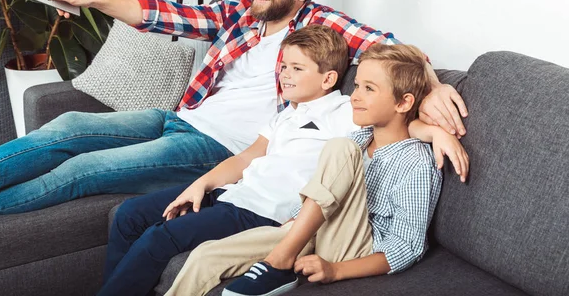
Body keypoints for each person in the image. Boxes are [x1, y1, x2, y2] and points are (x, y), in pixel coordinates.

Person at [0, 0, 467, 217]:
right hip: (183, 119)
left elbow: (394, 51)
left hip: (223, 149)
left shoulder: (323, 27)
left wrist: (434, 85)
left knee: (82, 171)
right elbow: (164, 14)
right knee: (69, 127)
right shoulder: (239, 13)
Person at [166, 44, 466, 296]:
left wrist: (335, 271)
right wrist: (298, 220)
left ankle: (281, 261)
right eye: (358, 85)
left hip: (357, 246)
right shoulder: (360, 138)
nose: (356, 96)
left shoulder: (414, 161)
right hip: (317, 232)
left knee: (338, 148)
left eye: (369, 89)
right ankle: (283, 252)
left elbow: (407, 246)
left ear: (404, 103)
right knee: (206, 256)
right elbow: (327, 194)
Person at [99, 25, 357, 295]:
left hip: (261, 212)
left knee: (160, 237)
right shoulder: (286, 114)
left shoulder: (345, 112)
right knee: (129, 215)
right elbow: (247, 156)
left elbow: (395, 128)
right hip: (234, 194)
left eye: (297, 68)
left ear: (328, 79)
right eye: (284, 67)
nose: (285, 75)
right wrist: (202, 184)